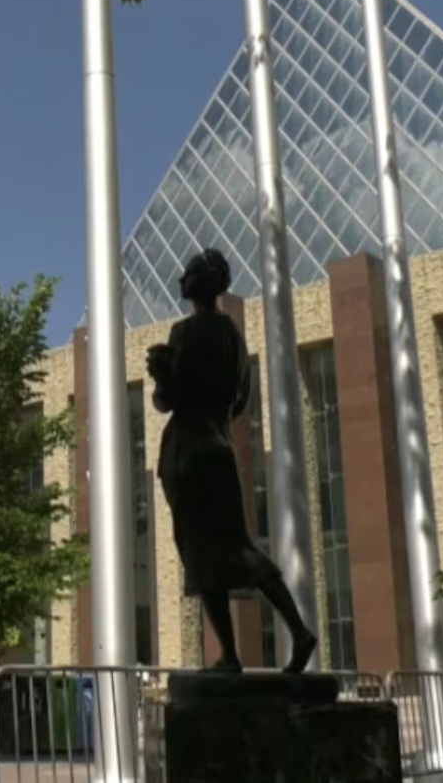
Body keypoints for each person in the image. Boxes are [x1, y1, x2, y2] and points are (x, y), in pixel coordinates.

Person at [146, 248, 319, 675]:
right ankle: (292, 631)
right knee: (236, 546)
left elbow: (169, 399)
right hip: (220, 448)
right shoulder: (233, 337)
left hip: (191, 451)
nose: (182, 277)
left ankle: (233, 654)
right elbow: (241, 401)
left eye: (188, 272)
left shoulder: (185, 332)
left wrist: (162, 372)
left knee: (202, 554)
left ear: (197, 283)